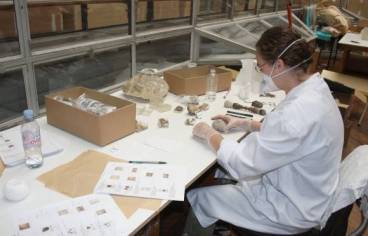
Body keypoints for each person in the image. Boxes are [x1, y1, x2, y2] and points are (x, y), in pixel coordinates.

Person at [183, 26, 344, 235]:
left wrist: (208, 133)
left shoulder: (295, 114)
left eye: (261, 67)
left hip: (289, 211)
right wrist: (247, 124)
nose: (262, 74)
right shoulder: (316, 90)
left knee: (201, 198)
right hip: (309, 193)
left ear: (279, 65)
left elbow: (243, 164)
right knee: (222, 173)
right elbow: (298, 136)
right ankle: (222, 226)